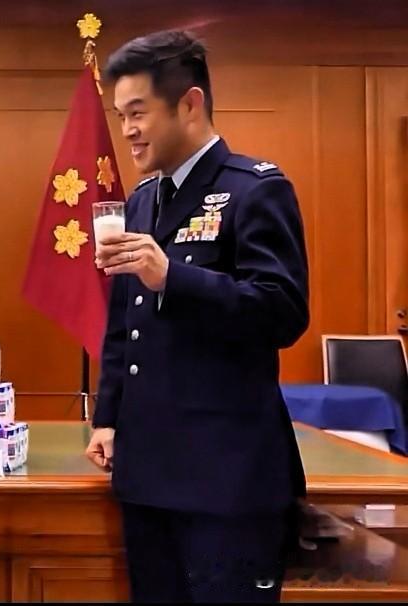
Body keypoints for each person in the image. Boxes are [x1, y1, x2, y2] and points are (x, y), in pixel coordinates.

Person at [85, 29, 309, 603]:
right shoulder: (141, 201)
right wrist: (108, 417)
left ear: (189, 104)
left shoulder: (254, 190)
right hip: (147, 474)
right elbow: (124, 323)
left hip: (226, 481)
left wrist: (174, 277)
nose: (127, 130)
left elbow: (283, 312)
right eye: (121, 115)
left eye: (139, 112)